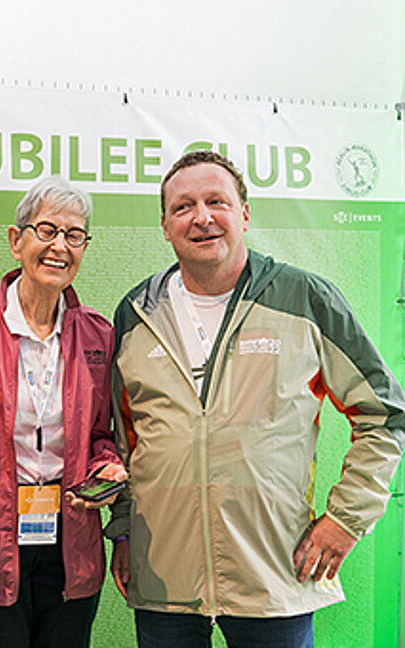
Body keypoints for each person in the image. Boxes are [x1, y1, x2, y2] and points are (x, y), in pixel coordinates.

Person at [106, 150, 405, 647]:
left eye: (216, 201)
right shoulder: (137, 313)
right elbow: (123, 439)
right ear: (164, 225)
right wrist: (123, 531)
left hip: (275, 571)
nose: (201, 217)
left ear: (244, 212)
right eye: (183, 207)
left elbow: (383, 414)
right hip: (162, 576)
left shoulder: (305, 299)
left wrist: (345, 521)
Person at [0, 176, 127, 648]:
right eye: (47, 230)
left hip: (71, 538)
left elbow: (101, 432)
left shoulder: (98, 336)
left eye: (74, 235)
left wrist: (105, 466)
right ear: (17, 241)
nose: (60, 246)